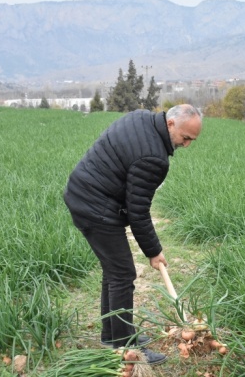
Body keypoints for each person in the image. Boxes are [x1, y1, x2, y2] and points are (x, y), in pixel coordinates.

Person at [63, 104, 203, 365]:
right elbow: (138, 211)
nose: (186, 145)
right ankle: (124, 347)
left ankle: (113, 336)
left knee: (115, 271)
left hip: (83, 193)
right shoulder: (153, 158)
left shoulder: (141, 117)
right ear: (171, 124)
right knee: (123, 273)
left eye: (191, 140)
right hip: (95, 206)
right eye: (186, 138)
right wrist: (153, 251)